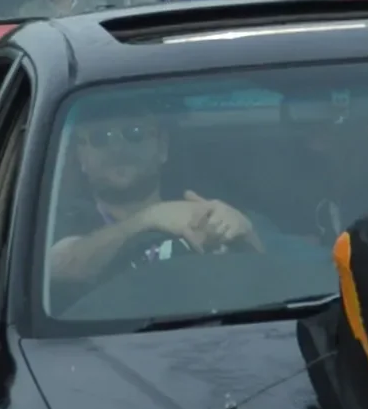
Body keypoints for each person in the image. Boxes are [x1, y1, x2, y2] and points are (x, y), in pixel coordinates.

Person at [48, 107, 267, 287]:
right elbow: (57, 268)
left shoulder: (208, 212)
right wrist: (148, 219)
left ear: (162, 147)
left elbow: (279, 276)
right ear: (81, 157)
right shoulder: (55, 221)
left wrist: (245, 234)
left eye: (134, 133)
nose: (117, 147)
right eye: (99, 138)